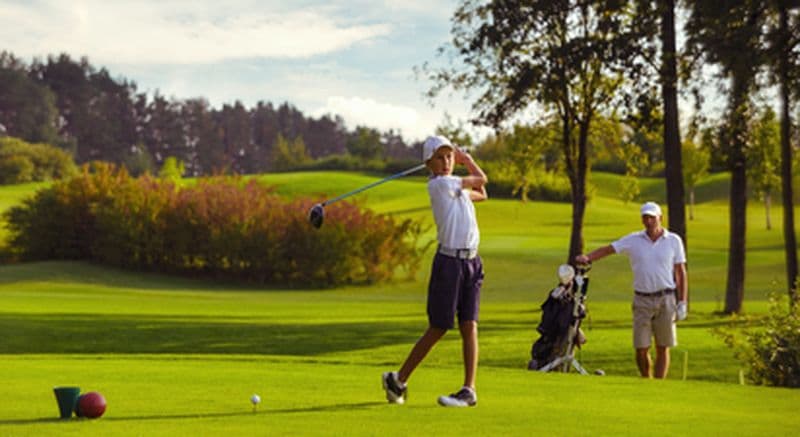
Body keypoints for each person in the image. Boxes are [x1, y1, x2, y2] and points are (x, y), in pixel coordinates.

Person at [382, 135, 488, 407]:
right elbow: (482, 179)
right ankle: (399, 379)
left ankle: (469, 389)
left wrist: (464, 164)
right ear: (428, 163)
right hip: (449, 264)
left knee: (470, 325)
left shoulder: (456, 188)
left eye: (450, 156)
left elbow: (482, 194)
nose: (446, 162)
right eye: (440, 158)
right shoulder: (440, 185)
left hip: (472, 262)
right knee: (439, 326)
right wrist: (468, 161)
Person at [575, 201, 688, 379]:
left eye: (652, 217)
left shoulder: (673, 241)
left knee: (663, 346)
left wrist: (682, 302)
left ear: (660, 218)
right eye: (645, 217)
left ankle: (659, 385)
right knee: (641, 347)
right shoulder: (634, 240)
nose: (649, 221)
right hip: (642, 299)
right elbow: (609, 249)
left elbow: (680, 272)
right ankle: (646, 379)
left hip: (666, 298)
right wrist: (588, 257)